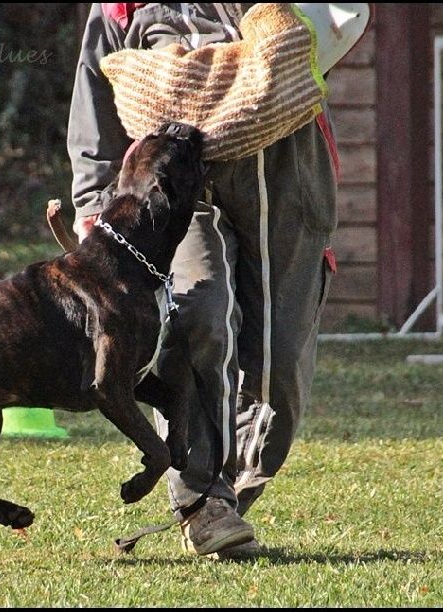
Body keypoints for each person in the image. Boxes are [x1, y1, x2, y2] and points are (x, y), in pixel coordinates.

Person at [67, 3, 340, 559]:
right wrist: (94, 200)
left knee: (279, 357)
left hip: (285, 169)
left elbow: (336, 31)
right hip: (171, 178)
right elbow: (95, 90)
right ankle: (201, 498)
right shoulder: (120, 8)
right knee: (197, 316)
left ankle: (231, 490)